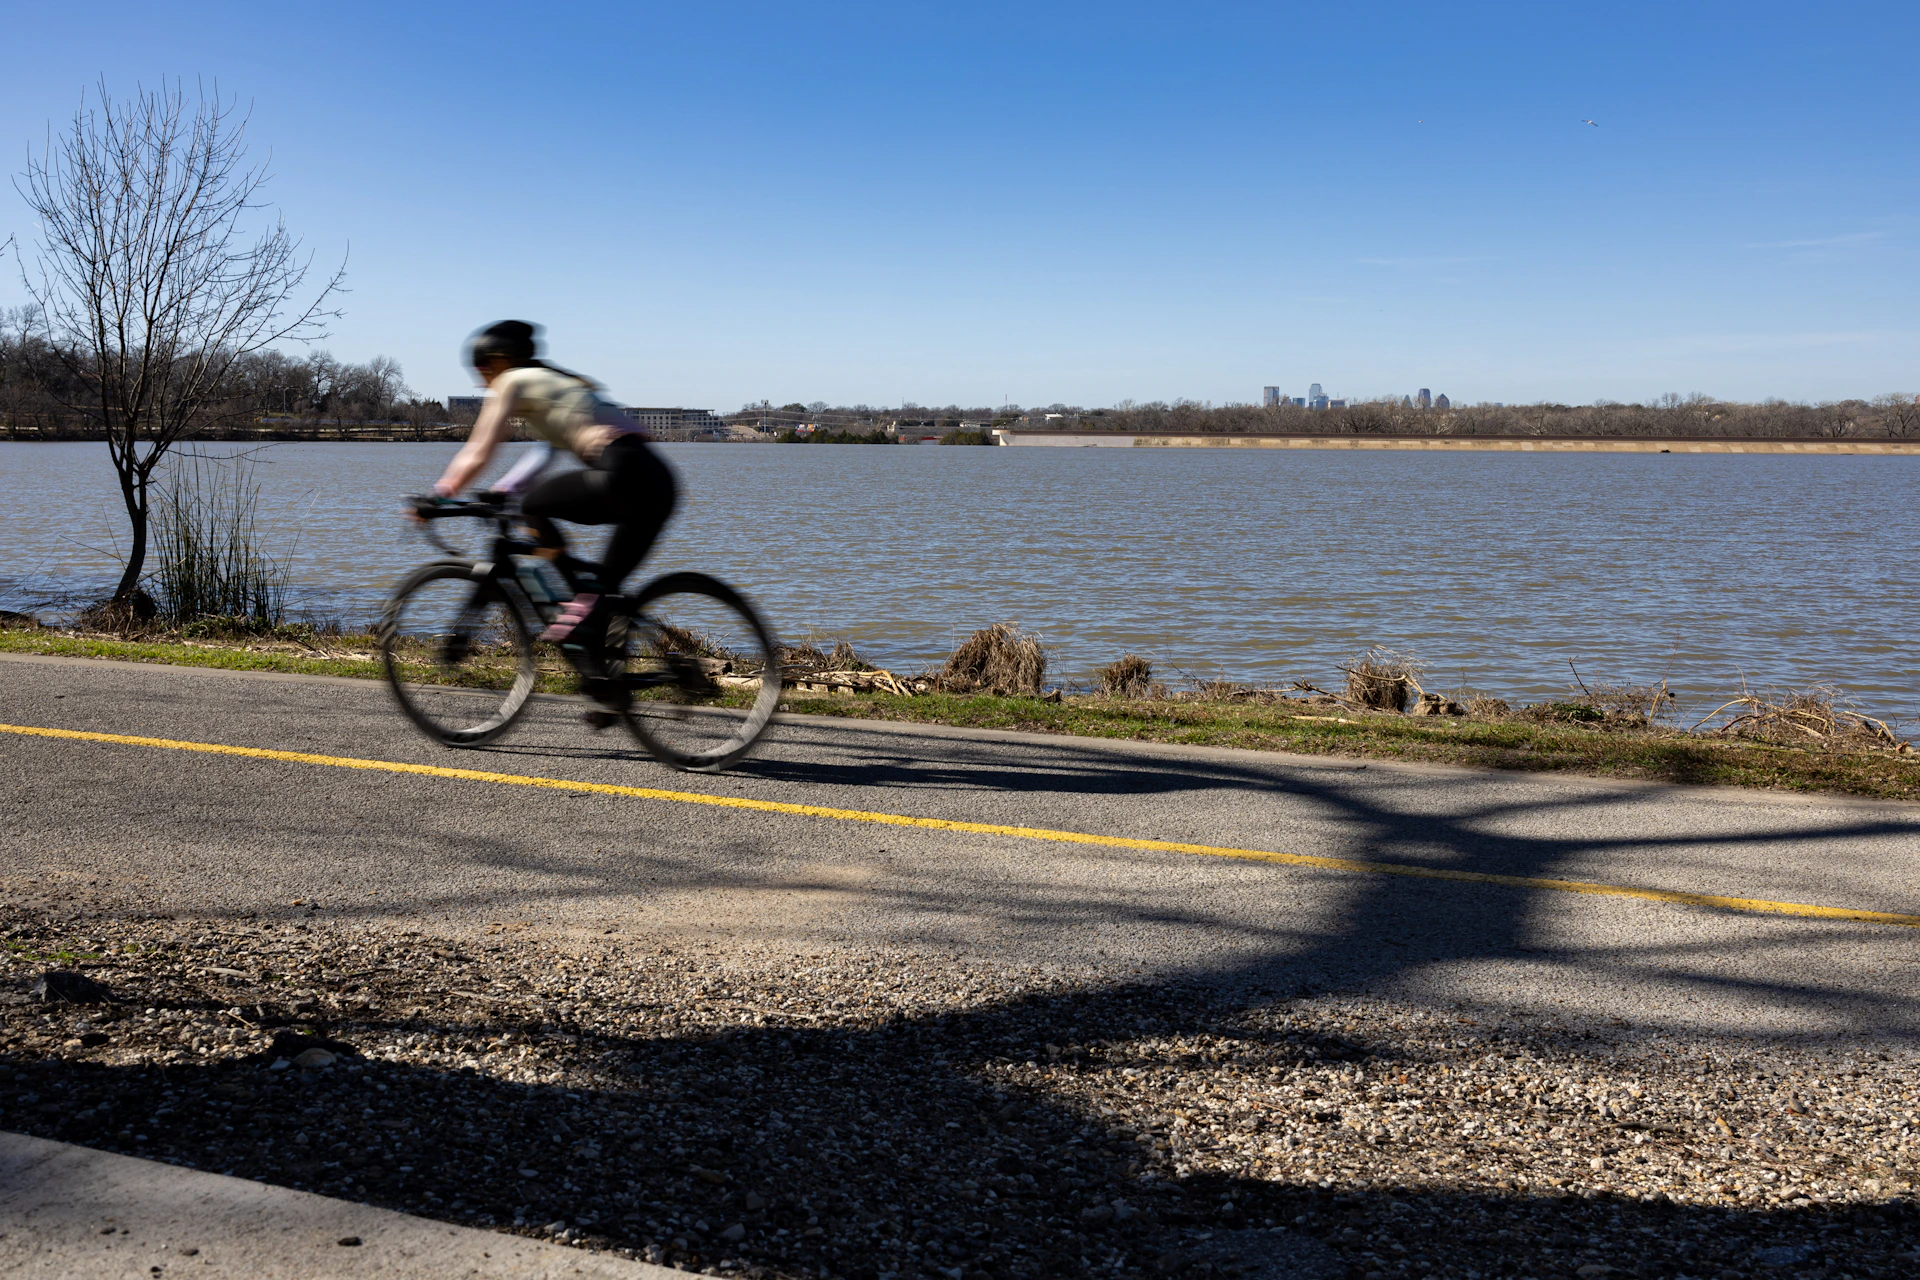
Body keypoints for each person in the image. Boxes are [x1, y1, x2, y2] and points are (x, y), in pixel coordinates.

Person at [429, 320, 676, 671]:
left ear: (498, 362)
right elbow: (543, 454)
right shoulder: (556, 386)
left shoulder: (512, 381)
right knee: (602, 591)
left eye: (481, 369)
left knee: (532, 507)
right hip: (658, 481)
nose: (481, 380)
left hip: (624, 473)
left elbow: (479, 449)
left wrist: (441, 495)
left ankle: (576, 604)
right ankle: (605, 684)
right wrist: (502, 490)